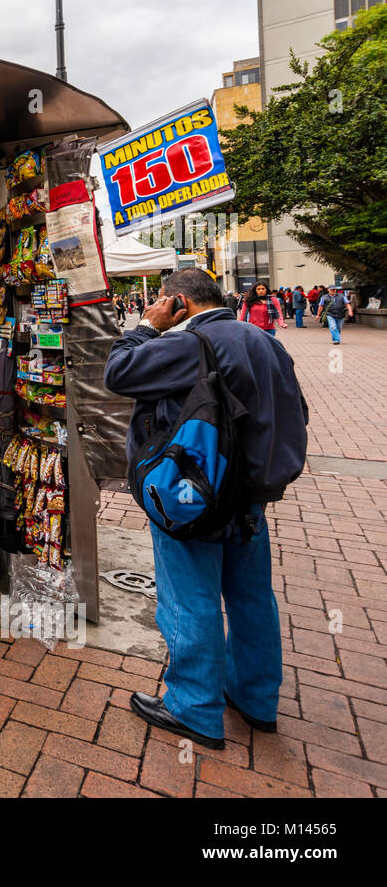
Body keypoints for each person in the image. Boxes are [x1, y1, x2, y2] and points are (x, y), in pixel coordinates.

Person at [104, 268, 307, 750]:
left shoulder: (191, 344)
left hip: (195, 497)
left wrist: (147, 325)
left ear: (178, 303)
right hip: (251, 495)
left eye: (162, 303)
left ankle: (193, 705)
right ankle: (256, 699)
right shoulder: (263, 340)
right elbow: (294, 409)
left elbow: (117, 372)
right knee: (251, 598)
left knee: (189, 597)